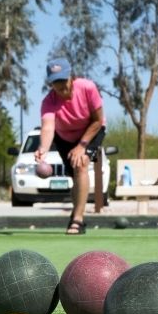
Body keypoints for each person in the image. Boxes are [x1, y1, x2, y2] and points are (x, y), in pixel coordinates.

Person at [34, 58, 106, 235]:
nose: (61, 88)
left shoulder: (87, 88)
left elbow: (97, 121)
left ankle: (78, 220)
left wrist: (82, 145)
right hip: (65, 137)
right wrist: (43, 148)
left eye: (63, 81)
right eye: (56, 83)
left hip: (91, 130)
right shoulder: (48, 102)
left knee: (81, 164)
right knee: (75, 175)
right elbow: (48, 127)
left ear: (71, 77)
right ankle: (77, 212)